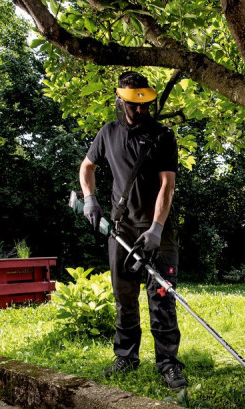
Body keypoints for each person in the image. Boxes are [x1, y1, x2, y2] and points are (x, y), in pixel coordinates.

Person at [79, 71, 186, 391]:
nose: (140, 111)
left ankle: (167, 362)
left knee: (162, 295)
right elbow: (87, 167)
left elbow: (167, 185)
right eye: (133, 105)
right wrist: (89, 199)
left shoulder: (163, 136)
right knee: (124, 296)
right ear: (120, 102)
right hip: (121, 228)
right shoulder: (108, 133)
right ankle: (126, 356)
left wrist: (156, 228)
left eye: (145, 105)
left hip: (158, 230)